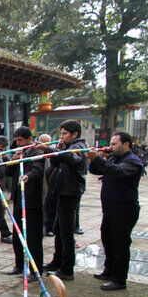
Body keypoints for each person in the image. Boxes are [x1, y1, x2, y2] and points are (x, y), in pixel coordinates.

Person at [87, 131, 143, 290]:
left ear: (126, 145)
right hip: (110, 209)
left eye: (114, 144)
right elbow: (96, 171)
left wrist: (98, 159)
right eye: (110, 144)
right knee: (108, 241)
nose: (110, 147)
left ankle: (119, 279)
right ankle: (109, 270)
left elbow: (117, 171)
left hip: (124, 210)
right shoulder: (114, 159)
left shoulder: (132, 161)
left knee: (120, 245)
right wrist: (97, 159)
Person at [38, 120, 88, 281]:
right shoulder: (67, 146)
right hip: (61, 191)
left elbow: (71, 158)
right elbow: (56, 161)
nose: (62, 137)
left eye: (65, 134)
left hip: (70, 193)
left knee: (66, 232)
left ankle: (67, 269)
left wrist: (50, 149)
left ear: (74, 134)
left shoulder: (78, 146)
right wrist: (56, 149)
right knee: (58, 230)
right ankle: (57, 261)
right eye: (61, 133)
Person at [4, 127, 44, 280]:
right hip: (18, 199)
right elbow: (7, 173)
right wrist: (13, 160)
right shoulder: (19, 153)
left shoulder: (37, 153)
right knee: (17, 235)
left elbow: (38, 170)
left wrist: (28, 176)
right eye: (17, 141)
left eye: (20, 140)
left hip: (32, 200)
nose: (18, 143)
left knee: (33, 237)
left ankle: (36, 270)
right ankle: (19, 265)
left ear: (29, 139)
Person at [0, 135, 14, 244]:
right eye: (1, 146)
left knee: (0, 210)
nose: (3, 149)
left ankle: (5, 232)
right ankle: (5, 233)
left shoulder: (3, 156)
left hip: (0, 187)